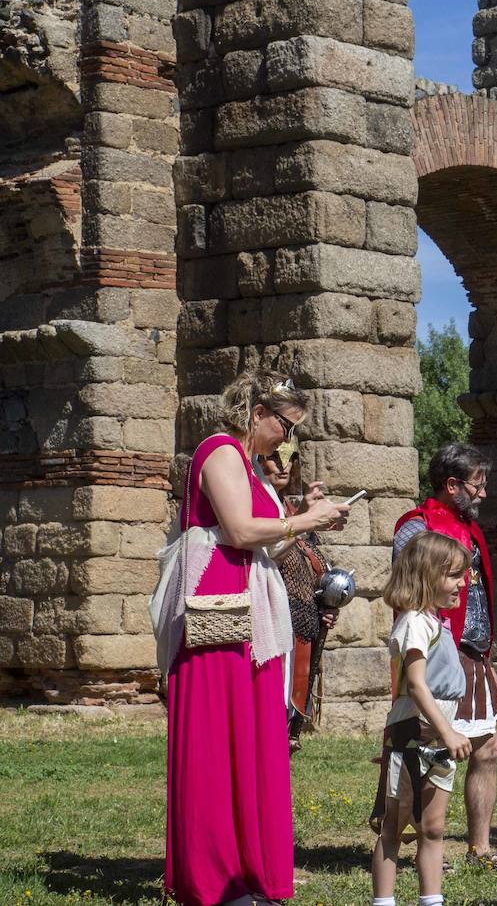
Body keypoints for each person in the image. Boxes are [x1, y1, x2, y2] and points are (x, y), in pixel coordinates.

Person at [153, 369, 348, 906]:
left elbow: (265, 547)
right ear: (256, 412)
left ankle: (250, 870)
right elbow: (238, 531)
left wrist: (309, 523)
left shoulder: (253, 467)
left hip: (253, 614)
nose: (288, 439)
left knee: (254, 737)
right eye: (285, 425)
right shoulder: (219, 451)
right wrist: (301, 517)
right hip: (219, 611)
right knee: (218, 738)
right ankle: (215, 877)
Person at [391, 443, 497, 873]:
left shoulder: (470, 529)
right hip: (438, 654)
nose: (483, 494)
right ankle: (425, 848)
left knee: (487, 747)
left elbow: (478, 598)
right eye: (477, 485)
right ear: (452, 485)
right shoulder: (417, 527)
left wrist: (488, 660)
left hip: (475, 655)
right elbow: (411, 597)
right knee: (427, 751)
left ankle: (479, 848)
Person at [372, 531, 475, 906]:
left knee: (433, 827)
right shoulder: (415, 622)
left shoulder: (434, 622)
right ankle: (384, 901)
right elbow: (415, 685)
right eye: (454, 575)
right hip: (415, 736)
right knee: (394, 827)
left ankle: (432, 900)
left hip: (436, 738)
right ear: (426, 575)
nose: (462, 583)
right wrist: (448, 732)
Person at [257, 438, 338, 751]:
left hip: (302, 628)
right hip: (270, 628)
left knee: (288, 725)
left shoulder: (289, 510)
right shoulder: (259, 510)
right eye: (275, 458)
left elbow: (313, 569)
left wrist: (328, 605)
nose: (283, 466)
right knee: (268, 720)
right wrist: (303, 521)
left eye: (289, 459)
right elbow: (265, 561)